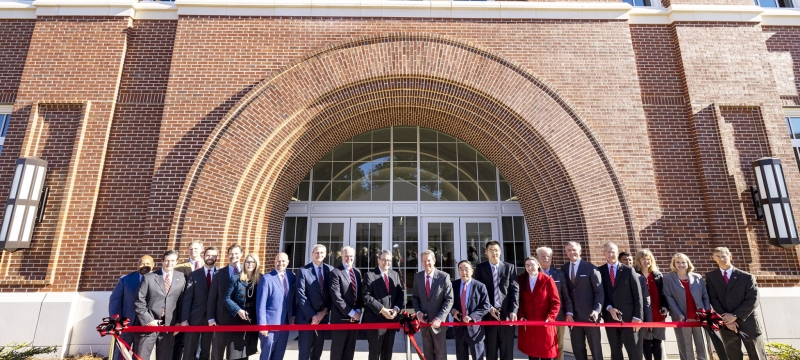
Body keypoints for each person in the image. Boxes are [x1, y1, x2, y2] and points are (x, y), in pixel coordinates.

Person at [706, 247, 767, 360]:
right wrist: (726, 319)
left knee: (756, 355)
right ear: (713, 258)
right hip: (726, 324)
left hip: (748, 322)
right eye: (718, 256)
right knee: (733, 355)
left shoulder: (747, 277)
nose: (721, 259)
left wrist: (734, 316)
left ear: (730, 257)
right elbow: (713, 299)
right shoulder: (711, 277)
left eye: (724, 256)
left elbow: (753, 299)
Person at [134, 250, 186, 360]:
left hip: (169, 326)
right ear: (162, 261)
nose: (169, 263)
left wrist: (178, 322)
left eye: (172, 261)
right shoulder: (149, 277)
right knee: (140, 357)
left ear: (176, 262)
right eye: (167, 261)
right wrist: (148, 320)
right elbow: (139, 301)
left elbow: (182, 302)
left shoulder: (182, 278)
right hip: (149, 325)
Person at [473, 240, 519, 360]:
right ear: (486, 252)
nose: (494, 253)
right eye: (491, 250)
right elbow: (479, 293)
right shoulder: (480, 268)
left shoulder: (509, 267)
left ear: (501, 252)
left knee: (507, 351)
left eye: (497, 250)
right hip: (489, 315)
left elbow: (515, 290)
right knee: (490, 351)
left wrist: (514, 310)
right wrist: (489, 308)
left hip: (507, 314)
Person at [598, 242, 643, 360]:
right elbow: (600, 294)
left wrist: (637, 317)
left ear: (617, 253)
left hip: (629, 318)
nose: (611, 254)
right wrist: (609, 308)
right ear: (604, 253)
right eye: (608, 251)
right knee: (615, 351)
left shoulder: (628, 270)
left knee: (634, 352)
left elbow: (637, 295)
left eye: (613, 251)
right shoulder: (599, 271)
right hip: (610, 318)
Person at [561, 241, 603, 360]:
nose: (571, 252)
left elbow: (599, 292)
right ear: (566, 253)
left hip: (590, 315)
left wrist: (596, 310)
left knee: (595, 348)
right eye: (569, 250)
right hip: (573, 316)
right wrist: (567, 312)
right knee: (577, 348)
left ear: (580, 251)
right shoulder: (564, 268)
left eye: (574, 249)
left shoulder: (590, 267)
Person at [663, 253, 710, 360]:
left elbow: (705, 297)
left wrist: (707, 313)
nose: (681, 264)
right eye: (678, 262)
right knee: (685, 347)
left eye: (683, 262)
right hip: (682, 317)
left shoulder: (697, 277)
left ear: (688, 263)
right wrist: (679, 314)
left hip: (699, 316)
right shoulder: (668, 278)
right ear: (673, 264)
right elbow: (669, 298)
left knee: (701, 346)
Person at [362, 250, 405, 360]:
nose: (387, 263)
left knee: (388, 353)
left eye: (389, 260)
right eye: (384, 260)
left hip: (391, 321)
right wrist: (382, 310)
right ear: (378, 260)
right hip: (375, 321)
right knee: (374, 354)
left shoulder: (395, 275)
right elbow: (366, 296)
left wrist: (396, 309)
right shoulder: (369, 275)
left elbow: (400, 294)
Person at [412, 249, 454, 360]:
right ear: (421, 262)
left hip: (439, 324)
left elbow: (449, 299)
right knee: (427, 354)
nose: (427, 263)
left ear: (434, 261)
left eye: (429, 260)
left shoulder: (443, 276)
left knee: (440, 354)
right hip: (424, 323)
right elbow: (415, 297)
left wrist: (440, 318)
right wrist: (418, 312)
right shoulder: (418, 276)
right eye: (424, 261)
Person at [109, 255, 154, 359]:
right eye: (142, 264)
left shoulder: (158, 280)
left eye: (148, 264)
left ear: (153, 265)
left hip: (146, 326)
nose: (144, 266)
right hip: (126, 324)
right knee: (120, 356)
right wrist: (116, 321)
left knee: (141, 357)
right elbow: (115, 301)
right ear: (137, 265)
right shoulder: (125, 280)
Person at [517, 256, 560, 360]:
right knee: (532, 354)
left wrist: (550, 317)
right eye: (527, 265)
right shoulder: (521, 279)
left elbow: (555, 302)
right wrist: (521, 315)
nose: (529, 268)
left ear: (538, 265)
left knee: (546, 354)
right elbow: (519, 300)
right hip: (529, 323)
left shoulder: (547, 280)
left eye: (532, 265)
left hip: (544, 323)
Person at [295, 244, 334, 360]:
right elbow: (300, 295)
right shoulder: (303, 271)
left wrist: (323, 312)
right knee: (304, 352)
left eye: (322, 253)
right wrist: (313, 315)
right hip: (306, 318)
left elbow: (332, 295)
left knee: (317, 350)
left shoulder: (330, 270)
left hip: (322, 318)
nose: (319, 255)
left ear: (325, 254)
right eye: (316, 253)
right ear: (312, 254)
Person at [180, 247, 219, 360]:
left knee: (206, 350)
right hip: (194, 317)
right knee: (189, 349)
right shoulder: (194, 274)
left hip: (212, 318)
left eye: (213, 256)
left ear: (217, 257)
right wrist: (184, 319)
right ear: (203, 256)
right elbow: (187, 298)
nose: (210, 258)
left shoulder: (220, 273)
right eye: (208, 255)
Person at [256, 252, 295, 360]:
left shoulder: (291, 276)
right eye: (278, 261)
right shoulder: (267, 278)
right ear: (274, 262)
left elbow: (293, 298)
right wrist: (262, 324)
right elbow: (261, 303)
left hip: (285, 324)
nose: (280, 263)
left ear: (288, 262)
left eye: (283, 261)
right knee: (266, 355)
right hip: (269, 325)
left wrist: (293, 315)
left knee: (279, 354)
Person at [535, 247, 572, 360]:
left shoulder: (559, 274)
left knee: (558, 345)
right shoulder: (533, 274)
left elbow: (565, 295)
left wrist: (569, 312)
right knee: (541, 344)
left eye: (548, 256)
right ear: (537, 258)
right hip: (539, 317)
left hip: (558, 316)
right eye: (543, 256)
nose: (546, 258)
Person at [207, 244, 243, 360]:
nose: (233, 256)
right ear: (228, 255)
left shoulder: (248, 272)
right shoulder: (218, 274)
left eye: (236, 253)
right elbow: (212, 298)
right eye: (231, 253)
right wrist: (211, 318)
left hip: (240, 319)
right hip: (221, 319)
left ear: (241, 254)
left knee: (237, 354)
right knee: (217, 352)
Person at [329, 246, 364, 360]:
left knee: (350, 351)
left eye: (351, 256)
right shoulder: (335, 272)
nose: (349, 258)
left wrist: (358, 311)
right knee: (337, 352)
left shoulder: (357, 272)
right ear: (342, 257)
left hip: (354, 319)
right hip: (340, 318)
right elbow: (336, 297)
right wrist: (351, 312)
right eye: (346, 256)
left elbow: (359, 294)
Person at [451, 260, 491, 360]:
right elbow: (448, 302)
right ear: (458, 271)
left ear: (472, 271)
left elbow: (486, 305)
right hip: (459, 329)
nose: (464, 272)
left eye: (466, 269)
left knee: (477, 357)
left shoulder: (480, 286)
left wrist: (472, 316)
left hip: (475, 329)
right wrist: (453, 310)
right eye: (461, 269)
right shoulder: (453, 285)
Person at [224, 253, 261, 360]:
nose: (250, 264)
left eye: (253, 262)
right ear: (244, 263)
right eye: (247, 261)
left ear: (256, 264)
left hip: (252, 318)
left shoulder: (261, 278)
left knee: (246, 350)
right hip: (237, 317)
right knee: (234, 352)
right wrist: (238, 310)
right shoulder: (235, 278)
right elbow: (226, 298)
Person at [633, 250, 668, 360]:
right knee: (646, 342)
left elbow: (664, 293)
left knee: (657, 341)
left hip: (657, 312)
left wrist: (665, 306)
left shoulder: (657, 275)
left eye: (648, 259)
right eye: (643, 259)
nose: (646, 261)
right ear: (638, 261)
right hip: (642, 313)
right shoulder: (634, 274)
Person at [173, 241, 204, 360]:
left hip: (199, 310)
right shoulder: (179, 267)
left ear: (202, 249)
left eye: (196, 248)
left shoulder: (207, 266)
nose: (193, 251)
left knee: (199, 343)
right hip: (182, 307)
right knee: (179, 341)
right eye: (190, 249)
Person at [618, 252, 651, 359]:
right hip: (616, 319)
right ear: (619, 261)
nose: (628, 262)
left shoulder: (640, 278)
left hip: (635, 319)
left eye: (630, 260)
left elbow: (645, 300)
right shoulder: (615, 277)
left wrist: (647, 320)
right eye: (625, 260)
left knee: (636, 351)